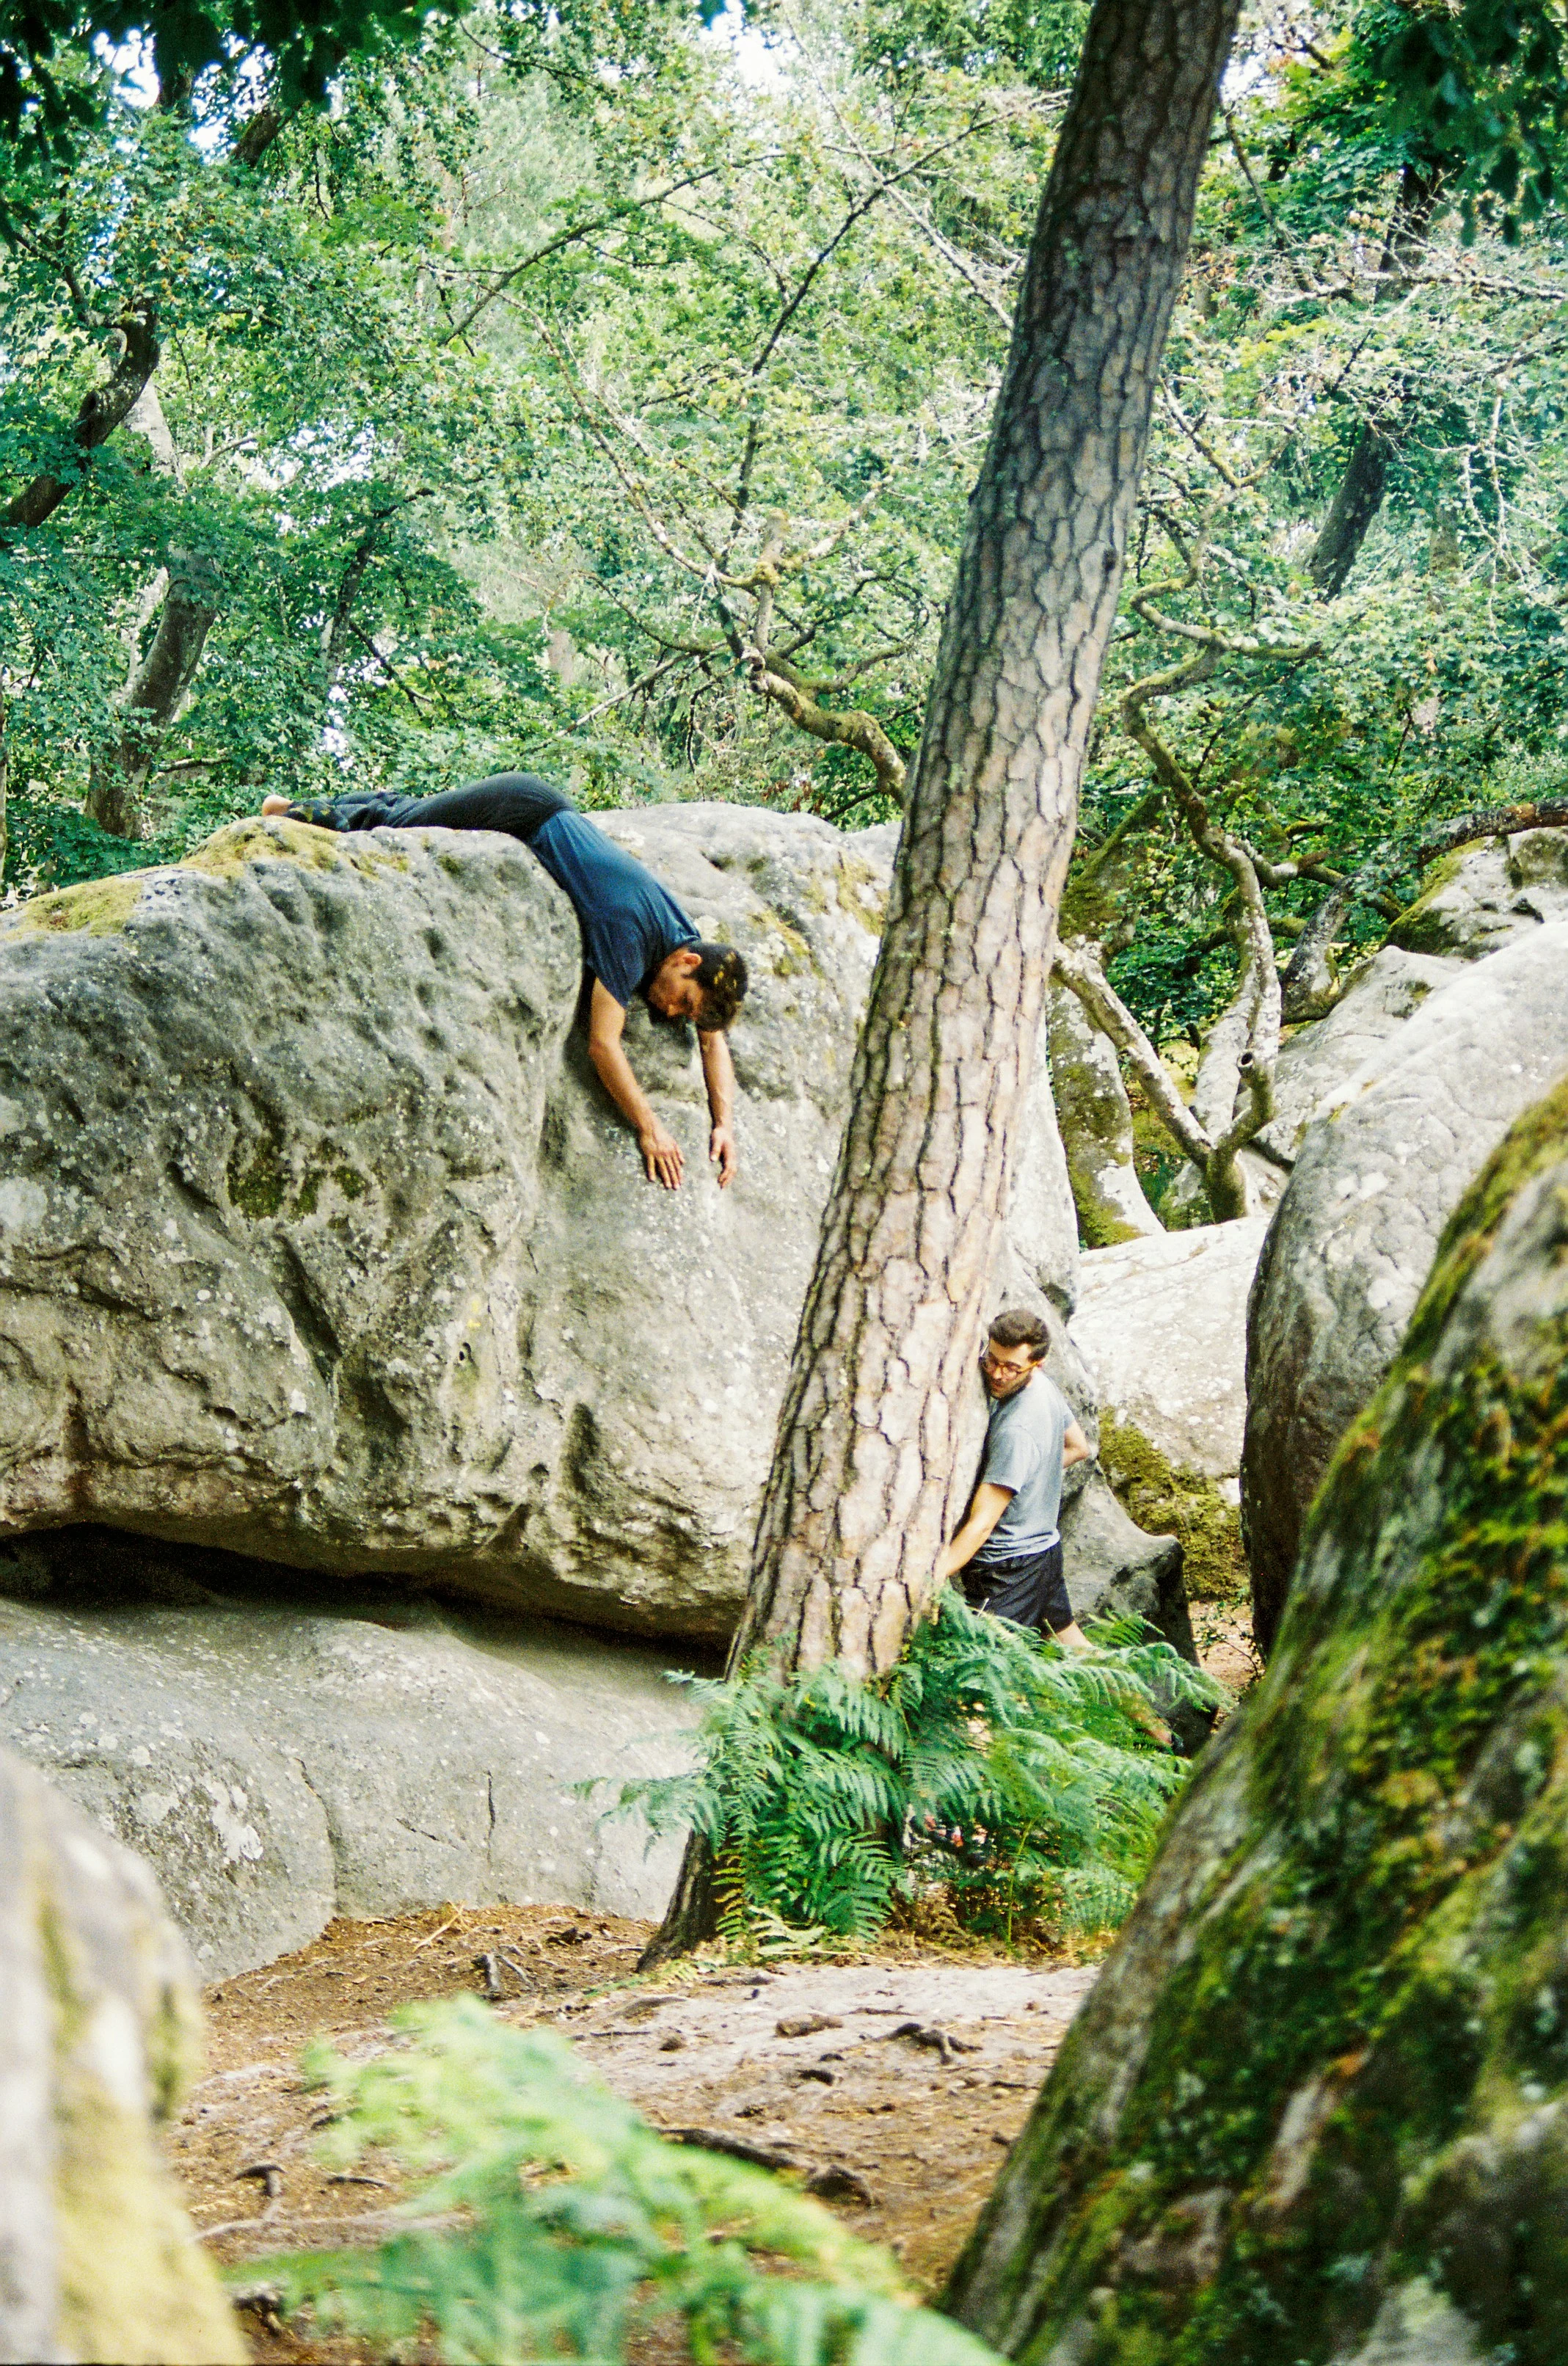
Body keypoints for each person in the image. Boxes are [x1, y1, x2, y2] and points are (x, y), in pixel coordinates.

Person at [260, 771, 748, 1191]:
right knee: (398, 827)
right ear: (685, 963)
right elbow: (603, 1045)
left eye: (683, 1014)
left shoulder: (686, 944)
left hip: (543, 808)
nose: (670, 1014)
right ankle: (289, 814)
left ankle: (301, 804)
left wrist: (723, 1125)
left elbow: (712, 1042)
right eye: (682, 1003)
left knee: (410, 812)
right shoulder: (629, 934)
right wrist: (649, 1129)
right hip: (520, 807)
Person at [936, 1306, 1093, 1648]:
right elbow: (1078, 1446)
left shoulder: (1015, 1431)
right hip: (1044, 1550)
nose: (997, 1374)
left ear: (1038, 1363)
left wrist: (931, 1577)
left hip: (1007, 1569)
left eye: (1011, 1368)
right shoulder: (1043, 1387)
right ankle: (1144, 1698)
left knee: (980, 1674)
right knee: (1078, 1652)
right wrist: (1028, 1478)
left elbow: (981, 1525)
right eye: (992, 1360)